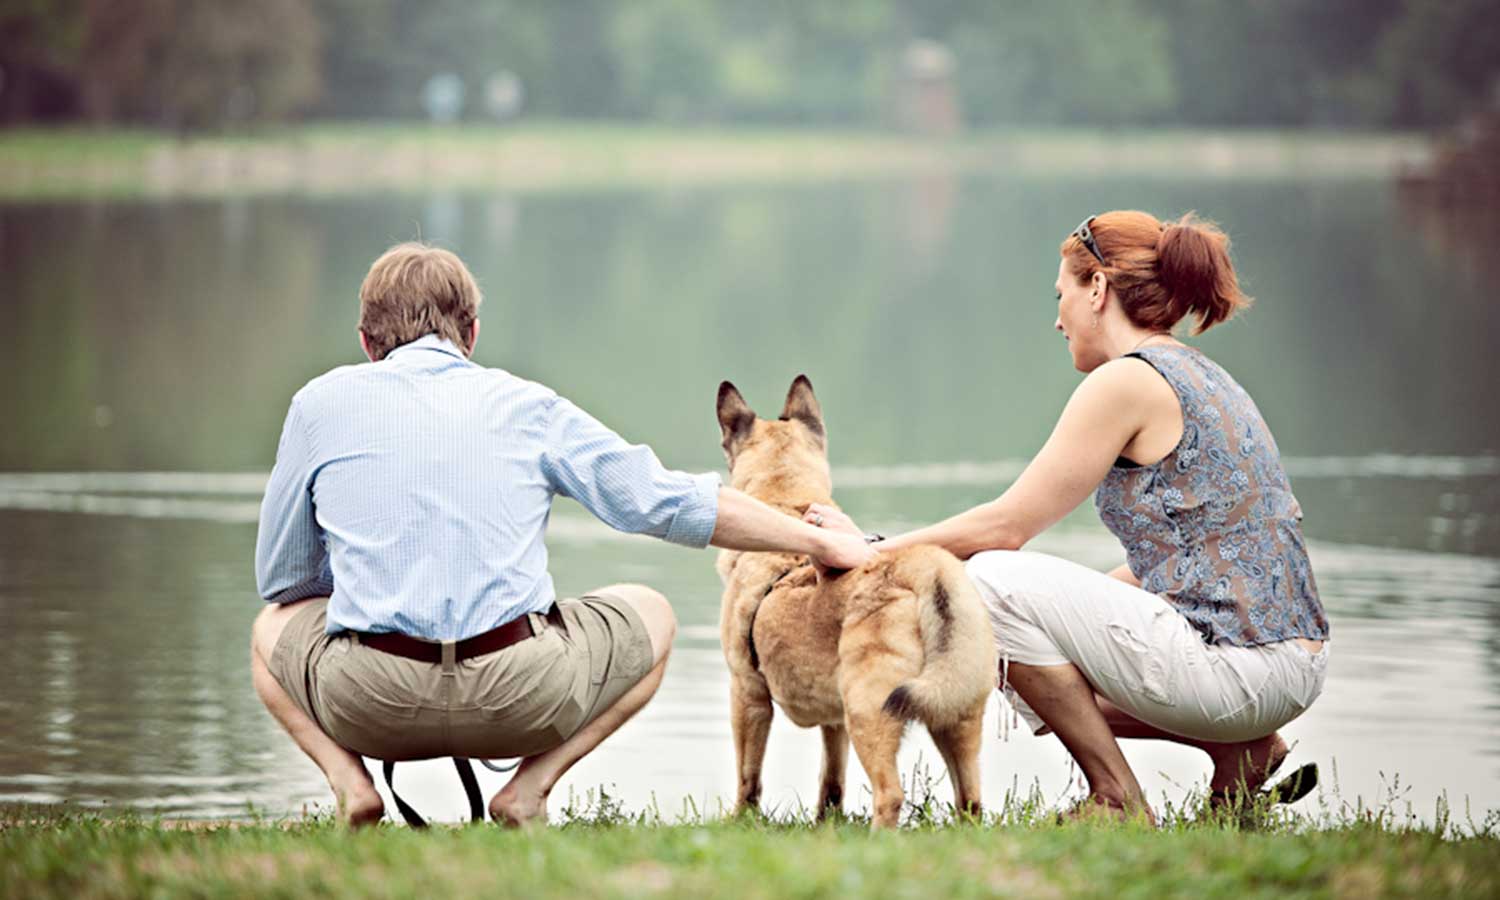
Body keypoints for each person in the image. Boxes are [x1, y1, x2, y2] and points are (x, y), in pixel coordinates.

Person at [251, 242, 875, 828]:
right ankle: (529, 789)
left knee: (268, 629)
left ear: (366, 342)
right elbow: (665, 503)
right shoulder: (528, 406)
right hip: (520, 695)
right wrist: (821, 541)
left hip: (370, 704)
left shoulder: (316, 406)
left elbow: (283, 582)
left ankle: (350, 784)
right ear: (471, 333)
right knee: (653, 613)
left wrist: (369, 584)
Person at [805, 211, 1330, 820]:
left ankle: (1116, 797)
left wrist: (871, 551)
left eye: (1063, 295)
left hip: (1242, 672)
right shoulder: (1202, 375)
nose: (1058, 319)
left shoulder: (1127, 381)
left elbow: (1006, 528)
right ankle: (1240, 751)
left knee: (987, 586)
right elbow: (1185, 553)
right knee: (1023, 657)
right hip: (1292, 666)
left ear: (1098, 289)